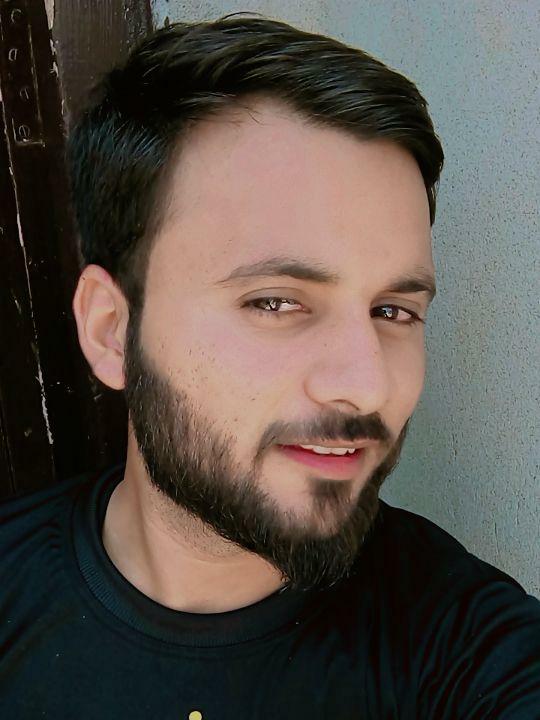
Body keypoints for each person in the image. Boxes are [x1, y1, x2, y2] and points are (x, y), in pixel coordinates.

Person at [1, 13, 538, 719]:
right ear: (112, 332)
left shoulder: (470, 651)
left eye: (393, 311)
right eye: (276, 302)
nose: (367, 384)